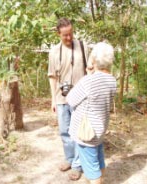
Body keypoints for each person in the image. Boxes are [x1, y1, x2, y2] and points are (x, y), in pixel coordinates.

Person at [66, 42, 117, 184]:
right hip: (99, 130)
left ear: (94, 59)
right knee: (99, 163)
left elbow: (70, 99)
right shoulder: (112, 81)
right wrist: (90, 74)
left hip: (86, 133)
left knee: (92, 171)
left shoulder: (88, 81)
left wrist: (89, 75)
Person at [48, 18, 90, 180]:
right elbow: (52, 77)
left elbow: (90, 69)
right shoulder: (54, 52)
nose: (69, 38)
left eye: (71, 34)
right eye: (65, 35)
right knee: (65, 132)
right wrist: (53, 99)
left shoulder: (83, 46)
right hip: (61, 98)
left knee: (79, 132)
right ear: (58, 34)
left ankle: (78, 165)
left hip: (81, 98)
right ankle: (70, 158)